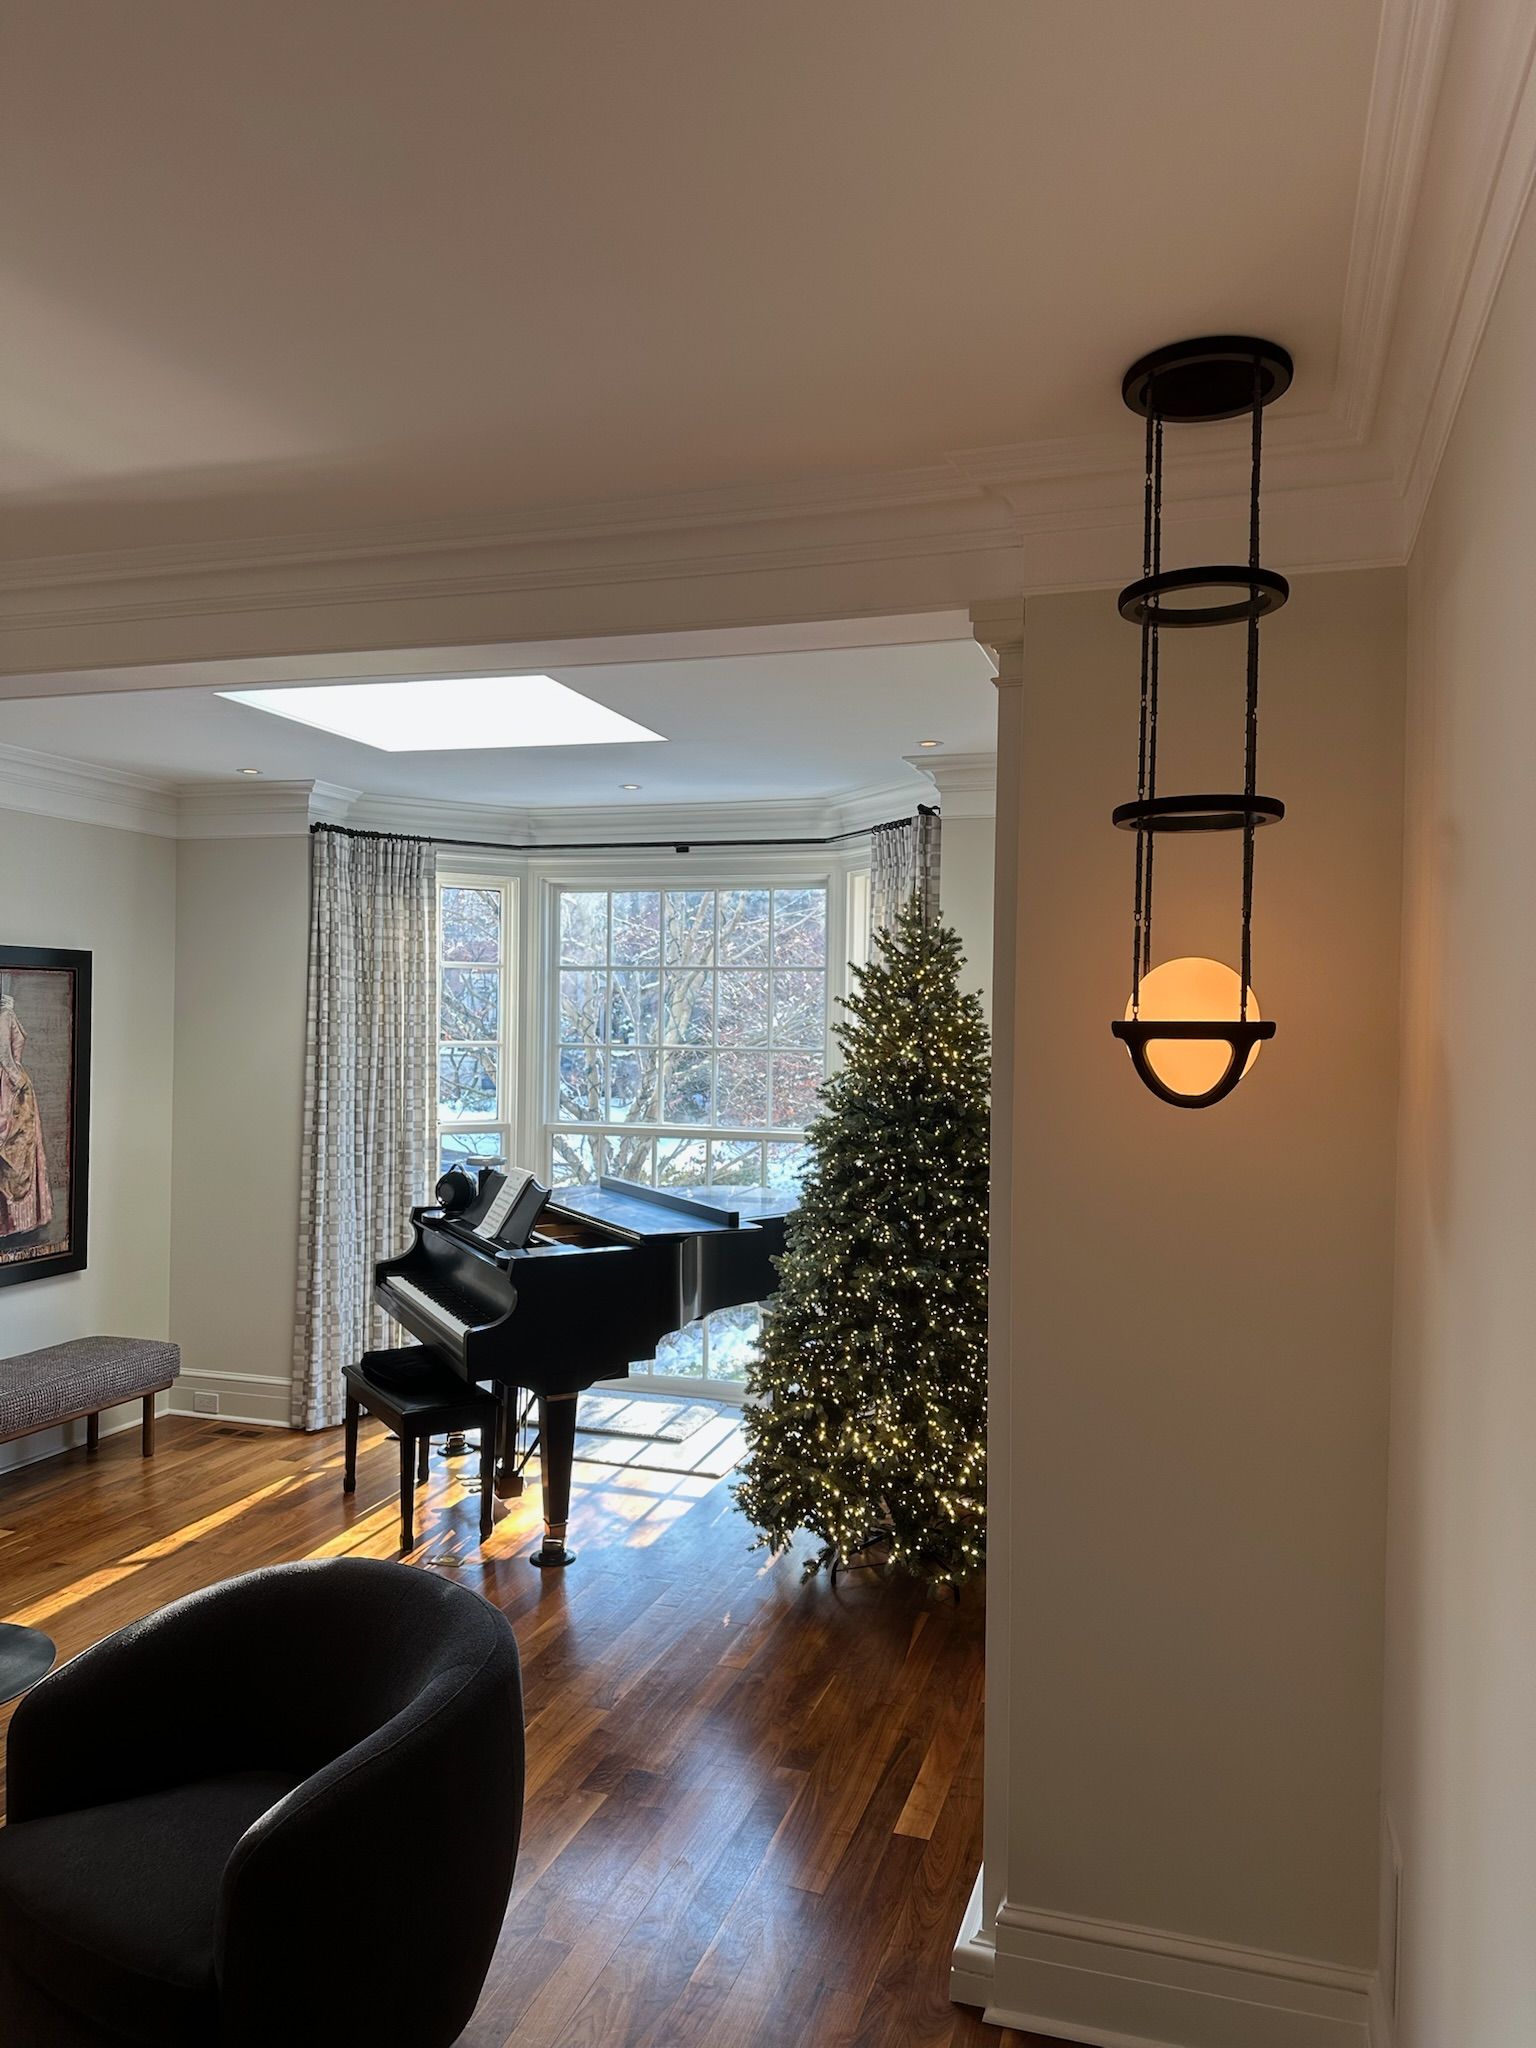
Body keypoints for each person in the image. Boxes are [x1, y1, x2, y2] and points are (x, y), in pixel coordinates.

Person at [0, 992, 53, 1239]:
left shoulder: (7, 1013)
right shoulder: (5, 1015)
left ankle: (20, 1219)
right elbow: (4, 1057)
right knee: (15, 1146)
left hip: (12, 1085)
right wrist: (18, 1081)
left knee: (24, 1148)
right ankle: (11, 1219)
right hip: (11, 1088)